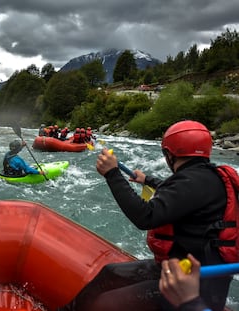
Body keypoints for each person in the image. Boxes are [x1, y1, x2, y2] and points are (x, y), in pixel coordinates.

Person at [60, 120, 235, 311]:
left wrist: (112, 174)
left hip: (193, 285)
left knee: (108, 304)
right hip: (179, 269)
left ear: (169, 154)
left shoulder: (192, 182)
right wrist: (146, 180)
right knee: (110, 272)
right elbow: (181, 195)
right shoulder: (208, 178)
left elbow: (145, 216)